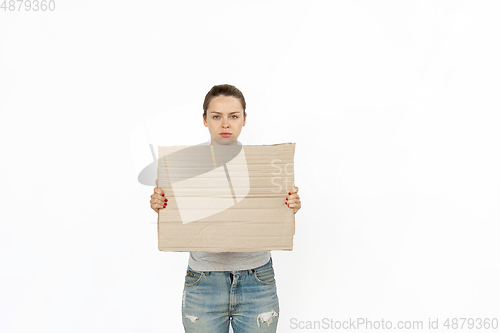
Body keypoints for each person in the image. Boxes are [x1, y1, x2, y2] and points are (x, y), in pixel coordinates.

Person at [150, 84, 301, 332]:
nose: (225, 124)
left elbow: (279, 204)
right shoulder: (185, 167)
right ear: (205, 119)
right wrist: (160, 204)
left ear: (244, 120)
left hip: (257, 280)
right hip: (203, 282)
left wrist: (291, 204)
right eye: (216, 116)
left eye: (233, 116)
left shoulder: (267, 167)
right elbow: (175, 210)